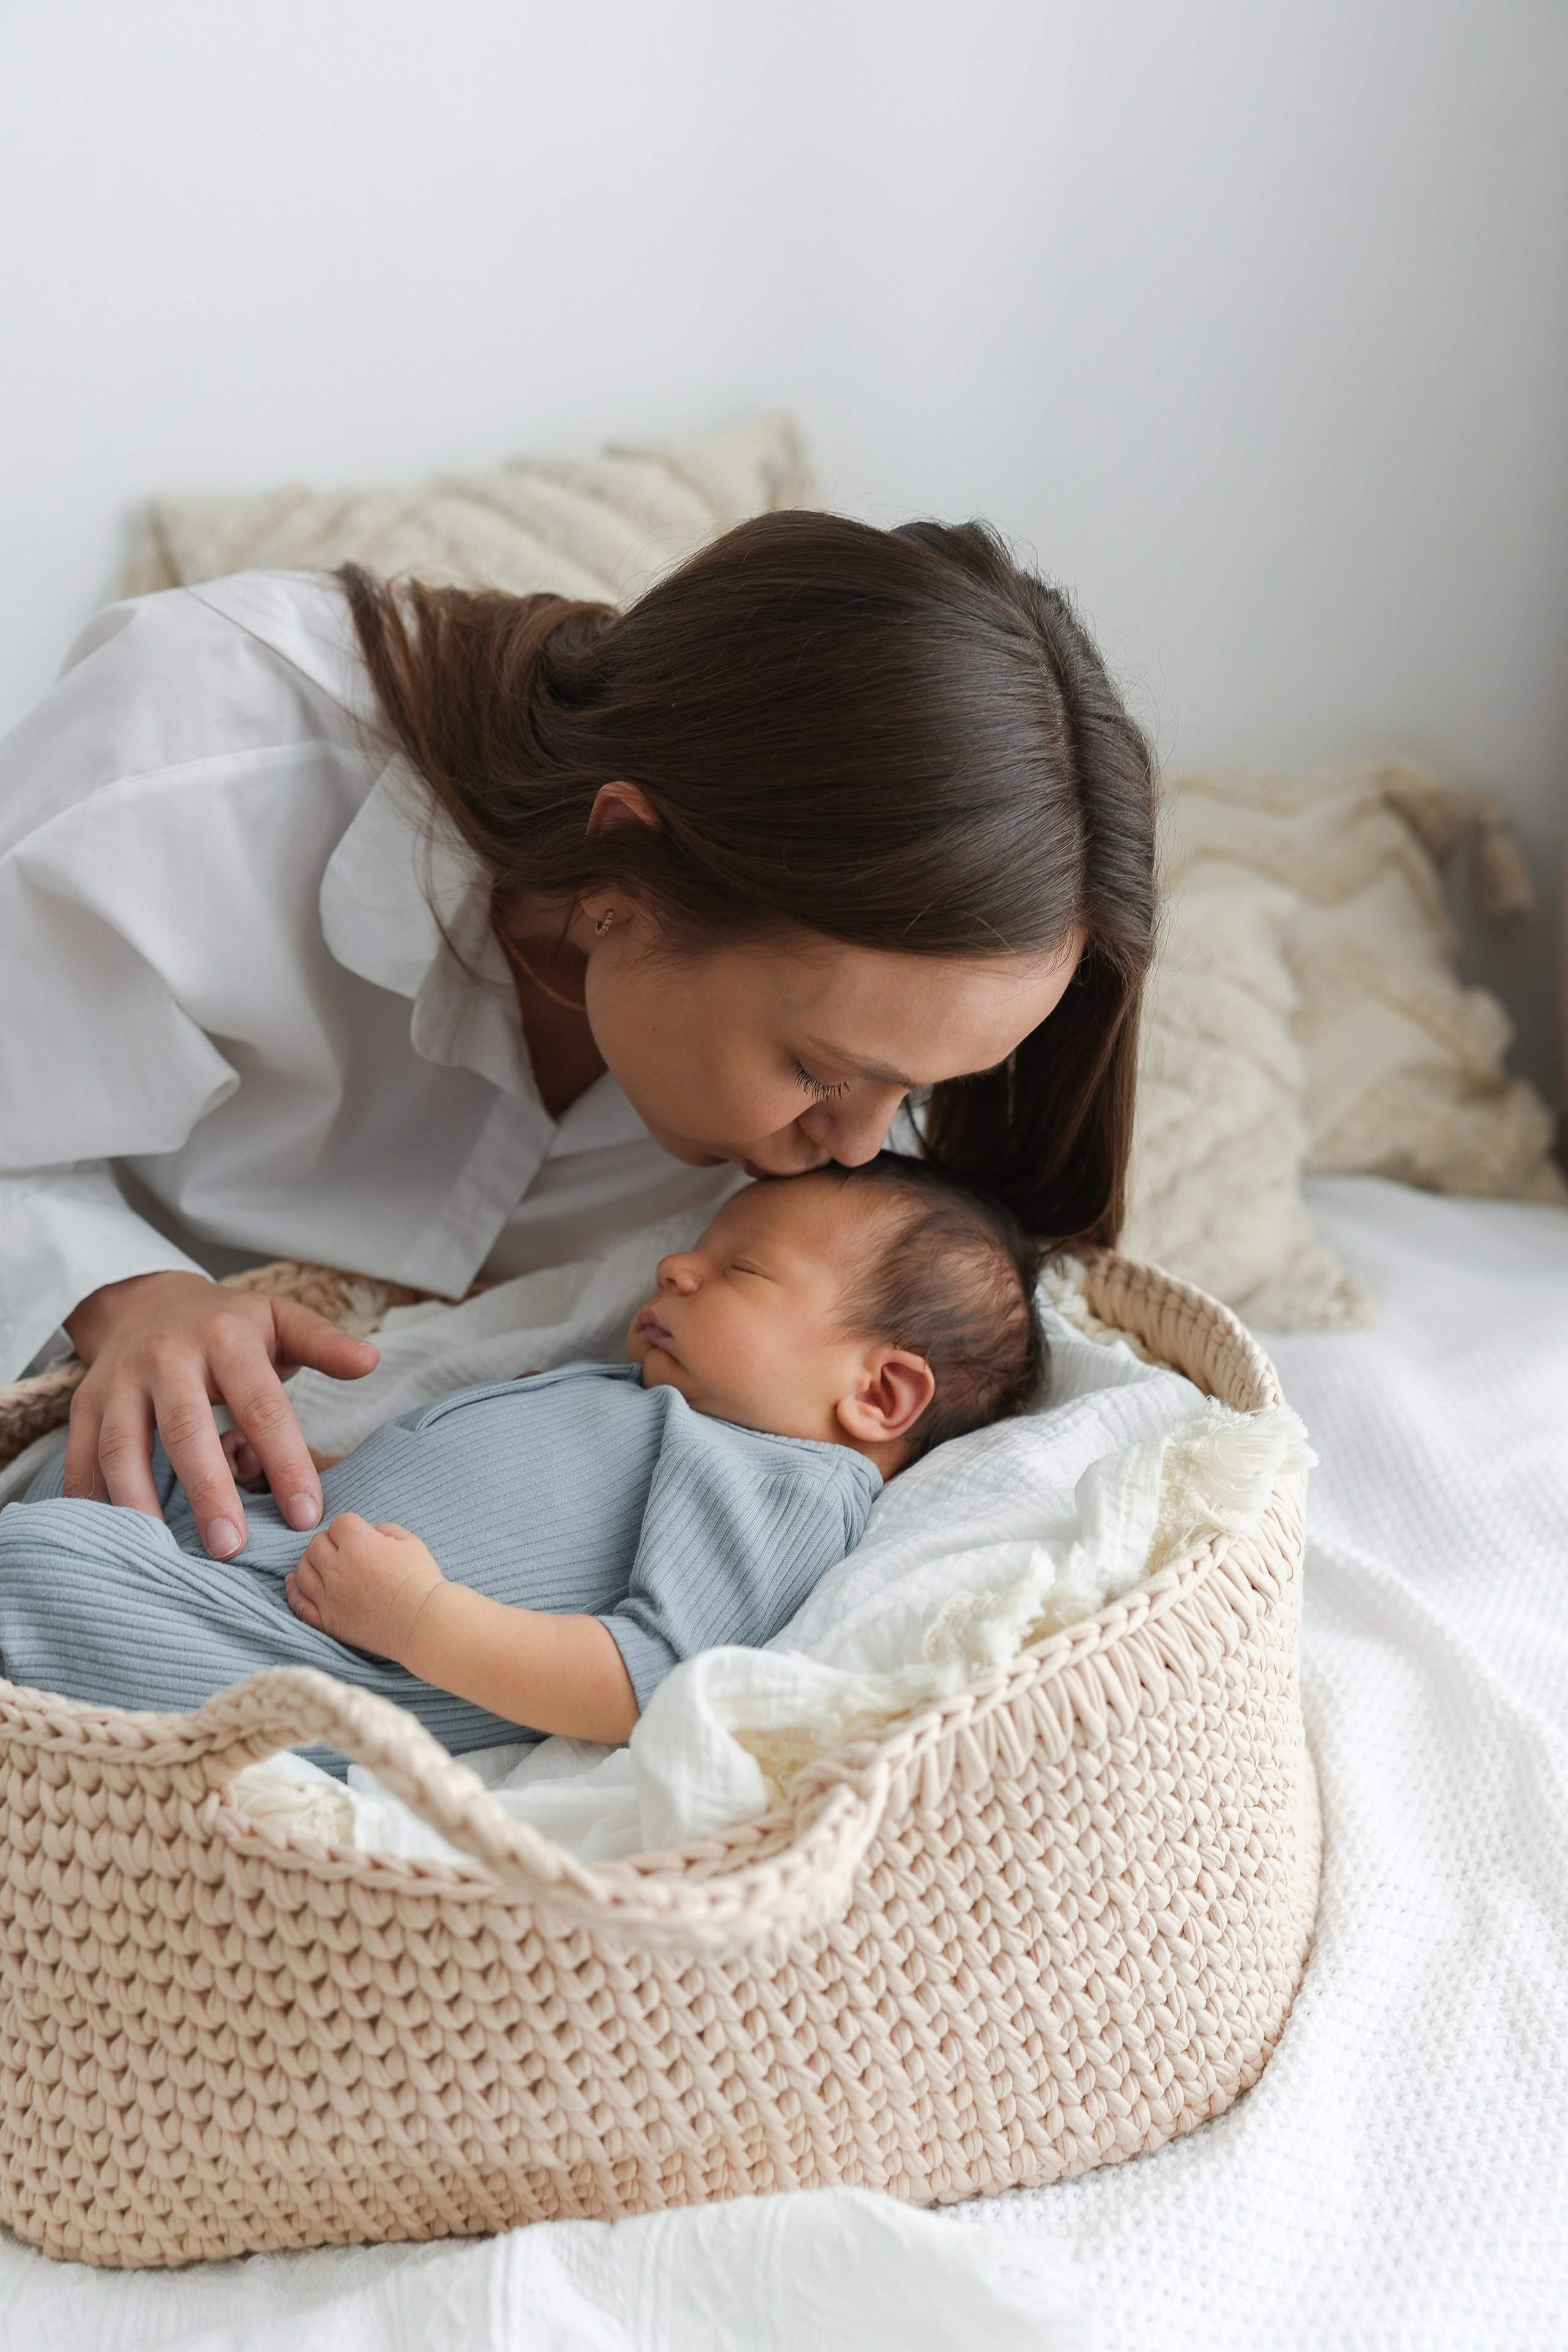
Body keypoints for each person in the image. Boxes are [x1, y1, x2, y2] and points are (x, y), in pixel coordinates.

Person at [0, 512, 1155, 1564]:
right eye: (819, 1074)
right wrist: (127, 1294)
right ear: (621, 871)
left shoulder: (861, 1069)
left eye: (909, 1095)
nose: (860, 1151)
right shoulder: (196, 762)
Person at [0, 1159, 1043, 1768]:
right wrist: (291, 1468)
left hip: (324, 1662)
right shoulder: (643, 1398)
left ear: (880, 1394)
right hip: (280, 1561)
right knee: (115, 1444)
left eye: (742, 1269)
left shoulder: (779, 1481)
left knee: (42, 1562)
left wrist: (420, 1620)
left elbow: (655, 1679)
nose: (676, 1267)